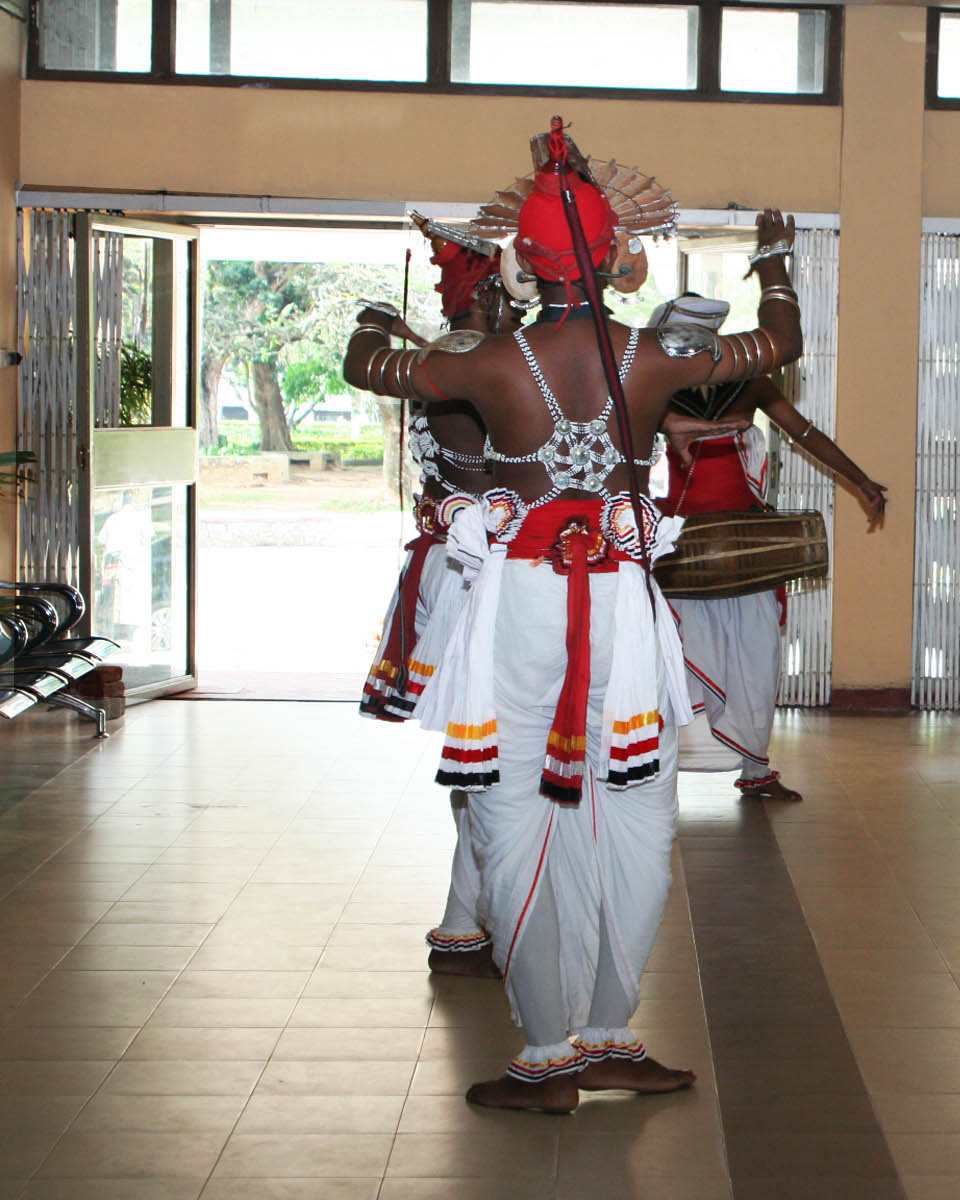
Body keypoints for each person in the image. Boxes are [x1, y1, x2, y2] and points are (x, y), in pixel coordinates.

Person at [344, 119, 800, 1114]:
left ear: (523, 259)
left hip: (521, 600)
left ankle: (550, 1051)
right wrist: (774, 259)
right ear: (616, 253)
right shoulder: (659, 352)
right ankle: (609, 1032)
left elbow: (368, 366)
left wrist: (376, 317)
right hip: (622, 600)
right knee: (632, 807)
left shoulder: (487, 360)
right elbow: (778, 344)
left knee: (512, 808)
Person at [354, 216, 513, 980]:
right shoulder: (477, 363)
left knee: (484, 751)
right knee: (491, 754)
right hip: (483, 573)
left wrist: (377, 324)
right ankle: (477, 917)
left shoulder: (444, 359)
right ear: (490, 291)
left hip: (456, 566)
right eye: (509, 287)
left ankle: (467, 917)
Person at [653, 294, 888, 801]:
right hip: (676, 552)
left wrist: (861, 480)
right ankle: (654, 772)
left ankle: (756, 771)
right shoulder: (649, 388)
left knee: (756, 663)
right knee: (668, 667)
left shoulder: (749, 381)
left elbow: (805, 433)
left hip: (748, 550)